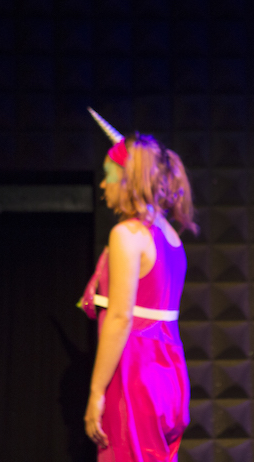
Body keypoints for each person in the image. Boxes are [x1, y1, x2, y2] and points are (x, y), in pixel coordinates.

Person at [80, 109, 199, 462]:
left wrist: (96, 392)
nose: (103, 185)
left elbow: (119, 319)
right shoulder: (170, 236)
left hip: (136, 373)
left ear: (127, 180)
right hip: (168, 372)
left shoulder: (127, 235)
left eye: (108, 176)